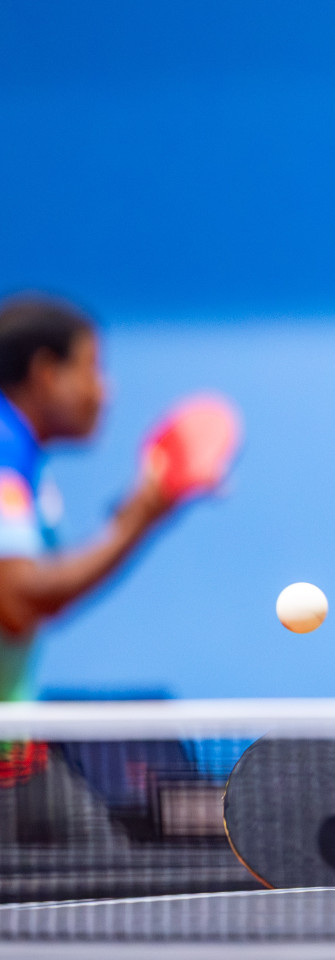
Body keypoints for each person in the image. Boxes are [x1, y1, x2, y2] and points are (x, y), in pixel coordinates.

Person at [0, 295, 194, 702]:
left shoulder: (22, 459)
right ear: (47, 372)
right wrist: (141, 519)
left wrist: (140, 509)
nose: (105, 390)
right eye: (92, 368)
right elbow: (16, 600)